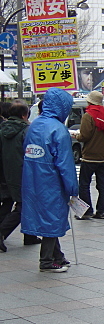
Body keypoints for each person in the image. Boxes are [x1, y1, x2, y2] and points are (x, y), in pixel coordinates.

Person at [21, 88, 79, 273]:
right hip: (51, 182)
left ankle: (58, 256)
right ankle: (46, 261)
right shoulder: (58, 129)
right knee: (52, 219)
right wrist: (72, 188)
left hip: (31, 180)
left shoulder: (34, 125)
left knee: (44, 217)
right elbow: (65, 163)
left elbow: (26, 150)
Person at [0, 100, 42, 252]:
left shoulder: (2, 128)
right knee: (24, 206)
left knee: (19, 204)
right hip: (24, 173)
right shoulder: (27, 131)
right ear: (25, 115)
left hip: (6, 173)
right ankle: (2, 232)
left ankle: (30, 235)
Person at [75, 91, 104, 220]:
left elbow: (84, 136)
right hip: (103, 156)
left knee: (84, 184)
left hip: (89, 156)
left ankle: (87, 211)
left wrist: (76, 136)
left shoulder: (88, 115)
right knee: (102, 185)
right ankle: (102, 211)